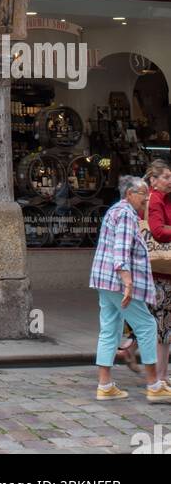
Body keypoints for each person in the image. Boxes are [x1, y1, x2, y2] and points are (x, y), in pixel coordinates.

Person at [90, 174, 171, 402]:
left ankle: (105, 385)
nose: (146, 201)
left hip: (104, 280)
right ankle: (154, 384)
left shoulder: (116, 211)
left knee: (109, 329)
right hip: (117, 282)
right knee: (147, 325)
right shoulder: (125, 214)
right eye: (143, 196)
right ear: (130, 194)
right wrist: (127, 281)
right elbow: (121, 251)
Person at [146, 159, 171, 384]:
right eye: (166, 177)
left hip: (166, 271)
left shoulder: (165, 198)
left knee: (164, 327)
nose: (170, 182)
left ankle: (161, 374)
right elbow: (158, 231)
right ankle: (159, 377)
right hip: (160, 273)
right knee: (162, 326)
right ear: (154, 180)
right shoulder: (155, 199)